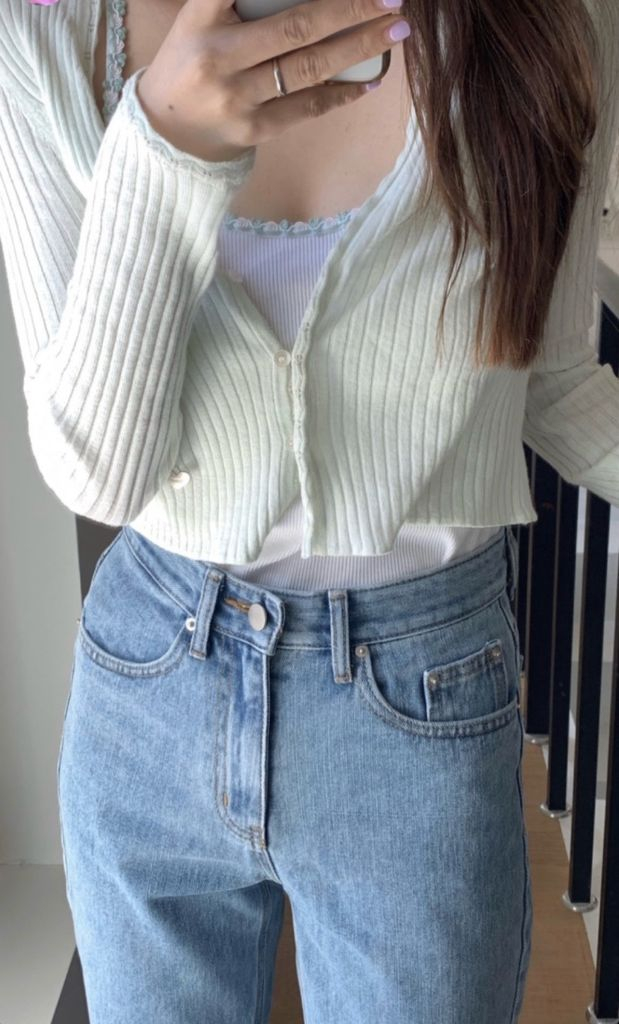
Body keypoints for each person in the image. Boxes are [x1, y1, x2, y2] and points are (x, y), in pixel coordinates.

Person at [0, 0, 618, 1019]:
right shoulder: (48, 36)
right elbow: (99, 473)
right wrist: (165, 144)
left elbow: (551, 378)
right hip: (149, 685)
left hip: (422, 699)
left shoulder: (544, 28)